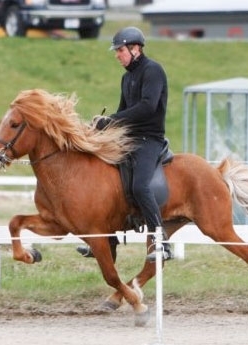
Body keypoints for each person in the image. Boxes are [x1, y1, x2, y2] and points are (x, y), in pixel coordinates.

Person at [76, 26, 173, 262]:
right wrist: (104, 126)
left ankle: (162, 242)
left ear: (135, 48)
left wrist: (114, 120)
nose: (117, 55)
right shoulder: (126, 77)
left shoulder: (153, 71)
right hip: (129, 138)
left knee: (140, 186)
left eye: (120, 50)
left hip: (149, 139)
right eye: (117, 51)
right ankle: (107, 238)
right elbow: (123, 110)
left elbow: (147, 107)